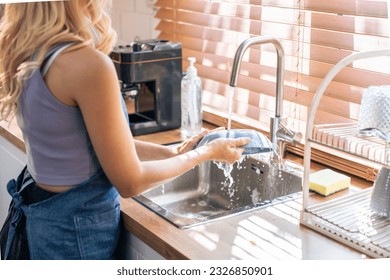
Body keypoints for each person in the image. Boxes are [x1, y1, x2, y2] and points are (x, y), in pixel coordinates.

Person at [0, 1, 250, 260]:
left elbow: (91, 143)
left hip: (44, 223)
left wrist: (174, 151)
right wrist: (205, 154)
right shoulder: (87, 65)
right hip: (76, 236)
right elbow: (131, 182)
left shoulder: (30, 53)